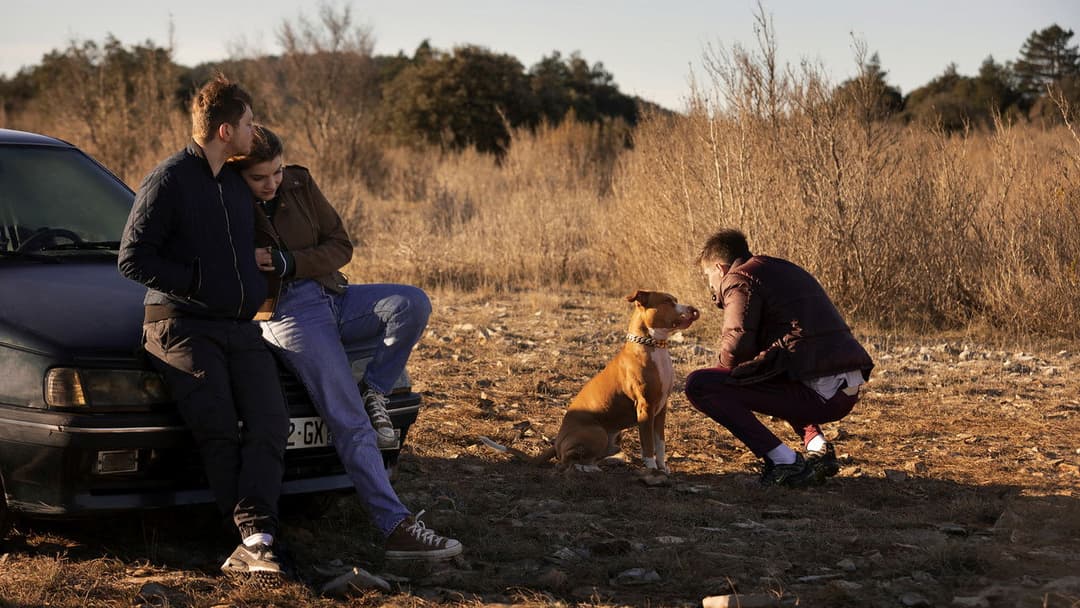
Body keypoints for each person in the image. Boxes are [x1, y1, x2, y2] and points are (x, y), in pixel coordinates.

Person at [226, 125, 462, 560]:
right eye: (260, 177)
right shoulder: (224, 199)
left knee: (411, 303)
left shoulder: (299, 181)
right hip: (287, 313)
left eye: (275, 172)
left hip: (332, 294)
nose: (272, 183)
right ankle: (396, 528)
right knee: (349, 422)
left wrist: (289, 261)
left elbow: (341, 244)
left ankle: (375, 390)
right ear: (238, 173)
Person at [118, 76, 290, 580]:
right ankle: (255, 537)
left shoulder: (235, 186)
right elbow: (132, 259)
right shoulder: (169, 179)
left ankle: (255, 535)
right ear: (224, 129)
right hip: (180, 325)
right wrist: (198, 280)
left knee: (270, 421)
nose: (254, 130)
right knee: (219, 430)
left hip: (236, 326)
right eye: (248, 123)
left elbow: (235, 246)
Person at [684, 228, 874, 487]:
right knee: (770, 367)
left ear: (719, 268)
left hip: (822, 394)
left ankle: (783, 461)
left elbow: (737, 342)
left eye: (708, 277)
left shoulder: (737, 279)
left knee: (700, 385)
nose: (710, 285)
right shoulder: (776, 268)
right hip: (842, 385)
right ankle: (817, 446)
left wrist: (721, 378)